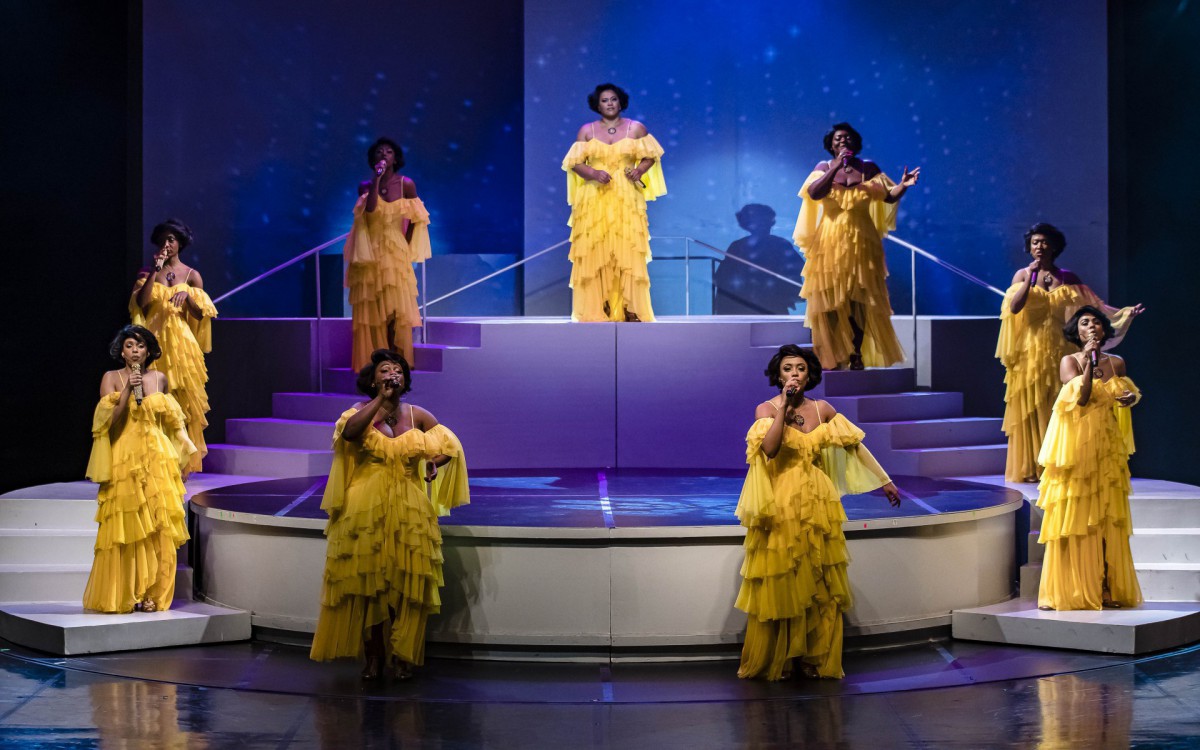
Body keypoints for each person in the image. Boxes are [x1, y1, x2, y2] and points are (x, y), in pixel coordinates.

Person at [735, 345, 901, 680]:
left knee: (819, 578)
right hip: (781, 502)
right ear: (778, 375)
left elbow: (855, 447)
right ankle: (782, 659)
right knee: (785, 578)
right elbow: (770, 449)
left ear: (809, 373)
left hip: (819, 501)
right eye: (787, 369)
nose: (794, 374)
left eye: (800, 368)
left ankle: (813, 657)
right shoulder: (766, 409)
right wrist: (783, 408)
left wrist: (884, 480)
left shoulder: (823, 409)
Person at [310, 349, 469, 680]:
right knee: (369, 584)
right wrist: (380, 400)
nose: (392, 374)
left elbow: (449, 447)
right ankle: (373, 657)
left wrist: (431, 463)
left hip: (409, 506)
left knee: (406, 582)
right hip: (364, 506)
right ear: (373, 380)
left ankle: (402, 655)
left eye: (397, 370)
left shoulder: (417, 414)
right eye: (384, 370)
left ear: (404, 380)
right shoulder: (358, 411)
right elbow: (349, 433)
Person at [997, 223, 1144, 482]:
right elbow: (1014, 308)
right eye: (1035, 242)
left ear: (1054, 246)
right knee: (1033, 407)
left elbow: (1095, 309)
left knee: (1062, 405)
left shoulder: (1068, 278)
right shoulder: (1022, 275)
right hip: (1030, 353)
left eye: (1044, 242)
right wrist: (1029, 278)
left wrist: (1124, 314)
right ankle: (1033, 467)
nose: (1039, 246)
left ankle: (1061, 462)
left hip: (1063, 350)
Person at [82, 325, 195, 613]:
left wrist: (182, 456)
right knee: (128, 524)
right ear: (122, 351)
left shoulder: (159, 378)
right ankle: (125, 592)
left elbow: (172, 423)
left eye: (141, 346)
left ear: (148, 351)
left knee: (157, 524)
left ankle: (152, 593)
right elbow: (108, 423)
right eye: (130, 345)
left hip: (157, 457)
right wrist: (127, 391)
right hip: (125, 456)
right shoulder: (111, 378)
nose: (135, 350)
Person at [1036, 306, 1142, 610]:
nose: (1092, 326)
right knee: (1076, 517)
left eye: (1096, 322)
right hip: (1076, 449)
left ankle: (1107, 587)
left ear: (1104, 330)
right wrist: (1089, 361)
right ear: (1077, 331)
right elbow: (1081, 398)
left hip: (1106, 448)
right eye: (1085, 323)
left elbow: (1127, 395)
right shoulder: (1069, 362)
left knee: (1107, 518)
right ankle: (1068, 588)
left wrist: (1129, 398)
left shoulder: (1117, 362)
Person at [792, 123, 919, 370]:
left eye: (848, 138)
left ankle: (856, 353)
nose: (843, 141)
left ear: (856, 143)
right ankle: (831, 354)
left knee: (859, 300)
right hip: (829, 242)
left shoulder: (867, 167)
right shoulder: (823, 167)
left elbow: (888, 196)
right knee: (829, 300)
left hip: (862, 242)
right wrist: (836, 167)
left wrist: (903, 185)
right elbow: (814, 193)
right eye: (838, 138)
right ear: (831, 144)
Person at [562, 83, 666, 322]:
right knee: (596, 250)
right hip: (594, 198)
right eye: (604, 100)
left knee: (627, 250)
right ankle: (602, 305)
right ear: (597, 105)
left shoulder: (635, 128)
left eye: (613, 99)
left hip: (626, 197)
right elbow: (574, 163)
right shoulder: (586, 131)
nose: (609, 104)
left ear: (621, 102)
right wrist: (593, 173)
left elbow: (651, 156)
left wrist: (638, 171)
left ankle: (630, 307)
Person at [130, 219, 216, 474]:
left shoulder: (191, 275)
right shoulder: (147, 272)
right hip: (154, 342)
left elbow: (200, 315)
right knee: (154, 399)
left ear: (180, 243)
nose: (166, 244)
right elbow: (142, 303)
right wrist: (155, 270)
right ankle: (156, 460)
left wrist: (188, 297)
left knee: (182, 403)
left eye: (171, 239)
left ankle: (181, 464)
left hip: (182, 346)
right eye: (163, 239)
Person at [344, 138, 432, 370]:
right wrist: (377, 179)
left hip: (394, 252)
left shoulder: (406, 184)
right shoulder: (365, 185)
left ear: (395, 158)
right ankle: (377, 364)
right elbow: (371, 210)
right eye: (379, 152)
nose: (384, 154)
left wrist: (406, 243)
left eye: (389, 152)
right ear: (373, 159)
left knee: (395, 310)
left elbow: (418, 218)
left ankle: (395, 361)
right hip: (369, 254)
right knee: (373, 310)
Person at [713, 204, 804, 315]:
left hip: (759, 305)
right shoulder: (779, 244)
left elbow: (721, 277)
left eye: (767, 222)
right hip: (759, 305)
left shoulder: (738, 245)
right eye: (763, 222)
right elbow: (722, 277)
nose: (766, 225)